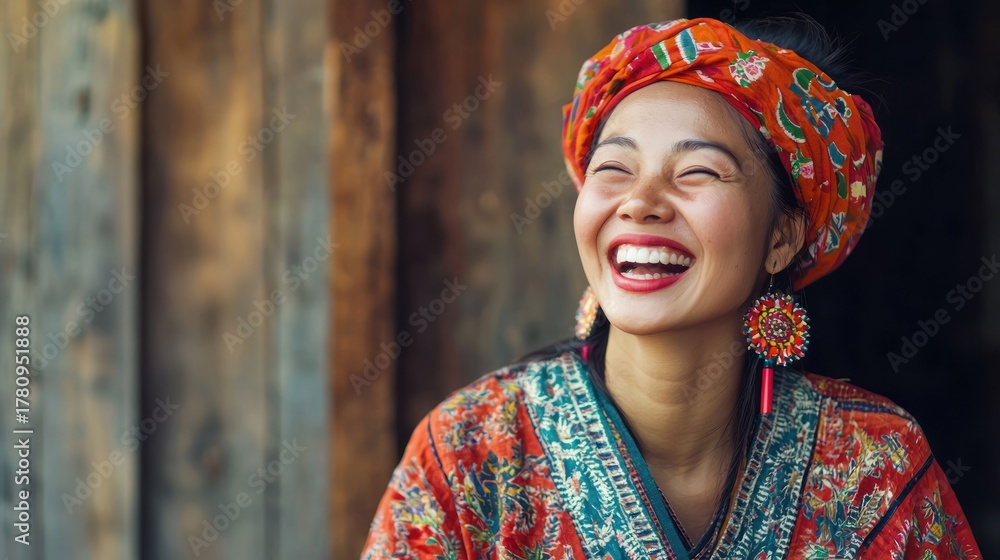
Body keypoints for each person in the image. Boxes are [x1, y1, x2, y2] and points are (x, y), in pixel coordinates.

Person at [361, 16, 983, 559]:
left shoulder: (875, 467)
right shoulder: (469, 454)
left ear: (782, 237)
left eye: (697, 171)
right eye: (614, 168)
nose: (641, 202)